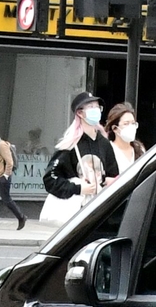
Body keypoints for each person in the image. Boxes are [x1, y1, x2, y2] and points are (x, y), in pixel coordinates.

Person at [39, 91, 115, 228]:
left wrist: (107, 181)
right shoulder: (69, 145)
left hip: (101, 212)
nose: (96, 111)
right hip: (76, 215)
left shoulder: (104, 143)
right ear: (80, 113)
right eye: (91, 107)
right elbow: (50, 179)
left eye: (98, 107)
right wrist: (78, 188)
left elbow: (113, 174)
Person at [106, 102, 148, 177]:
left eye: (133, 123)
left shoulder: (139, 148)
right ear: (115, 128)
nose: (131, 127)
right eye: (126, 123)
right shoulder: (108, 149)